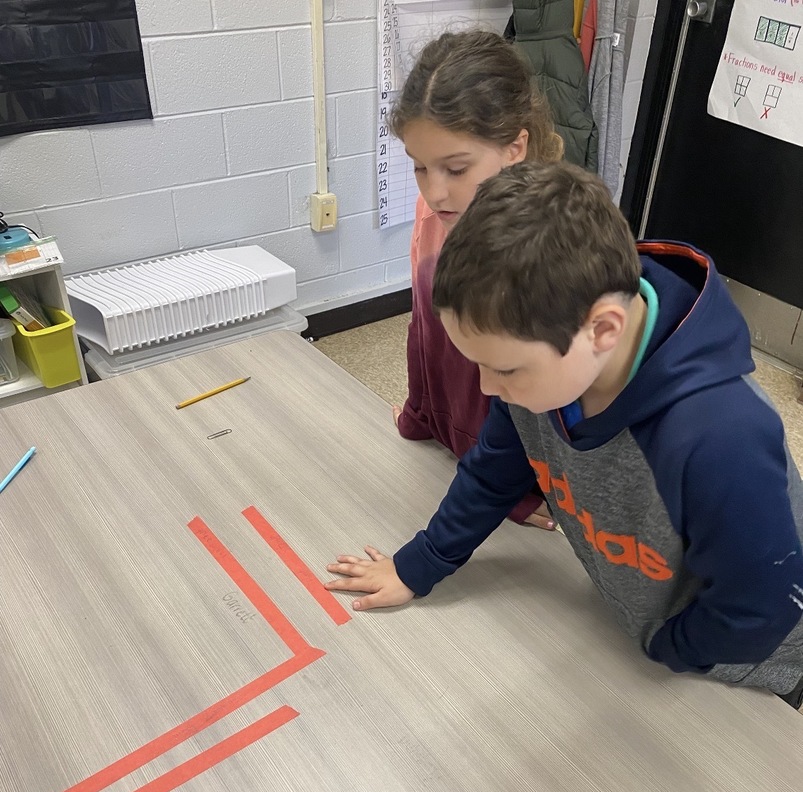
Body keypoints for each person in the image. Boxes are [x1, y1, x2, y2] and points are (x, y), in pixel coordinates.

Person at [325, 162, 803, 707]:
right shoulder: (544, 370)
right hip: (647, 636)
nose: (487, 386)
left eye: (504, 368)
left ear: (603, 329)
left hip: (746, 671)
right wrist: (419, 564)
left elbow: (764, 605)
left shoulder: (718, 436)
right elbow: (492, 473)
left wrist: (669, 647)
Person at [389, 30, 564, 529]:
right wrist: (422, 412)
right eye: (420, 167)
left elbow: (530, 390)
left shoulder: (538, 243)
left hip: (505, 456)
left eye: (456, 168)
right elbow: (427, 328)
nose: (435, 190)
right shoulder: (436, 211)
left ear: (514, 149)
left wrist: (508, 488)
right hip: (452, 433)